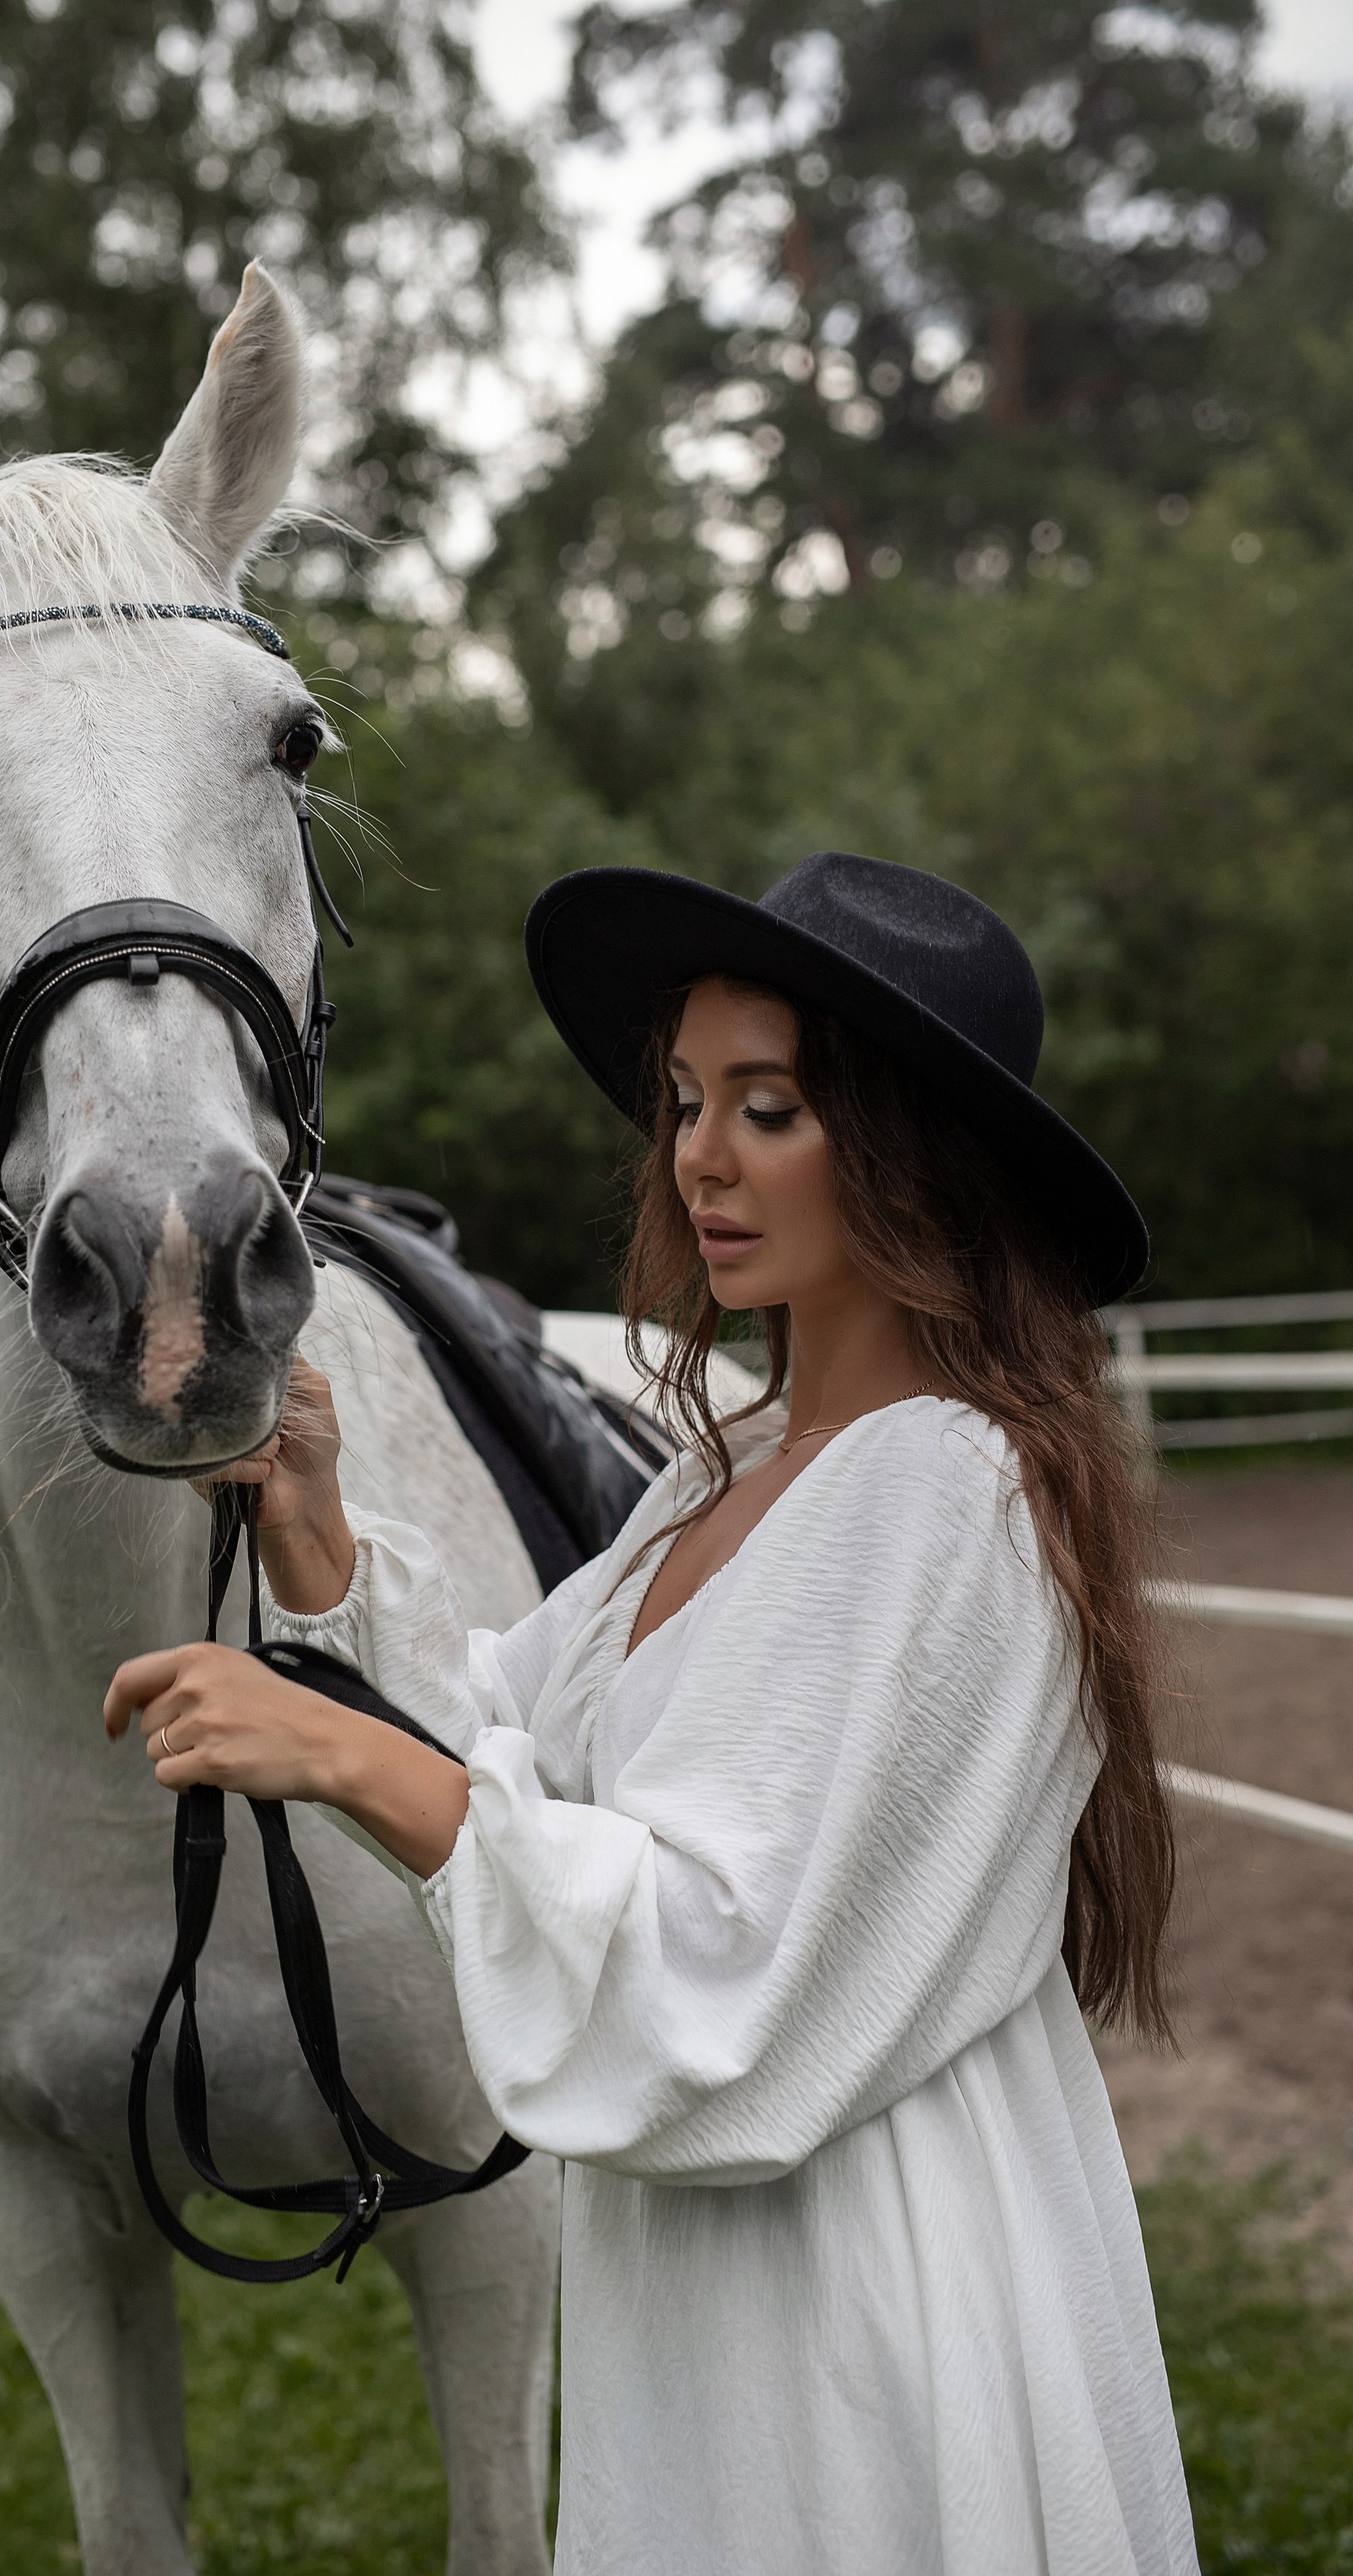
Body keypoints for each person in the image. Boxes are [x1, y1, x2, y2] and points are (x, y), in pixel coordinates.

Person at [104, 851, 1198, 2575]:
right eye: (687, 1101)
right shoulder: (734, 1467)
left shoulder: (944, 1493)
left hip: (857, 2277)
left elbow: (714, 1969)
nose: (699, 1155)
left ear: (913, 1149)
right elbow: (515, 1748)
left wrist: (337, 1749)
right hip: (716, 2257)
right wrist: (320, 1543)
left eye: (768, 1108)